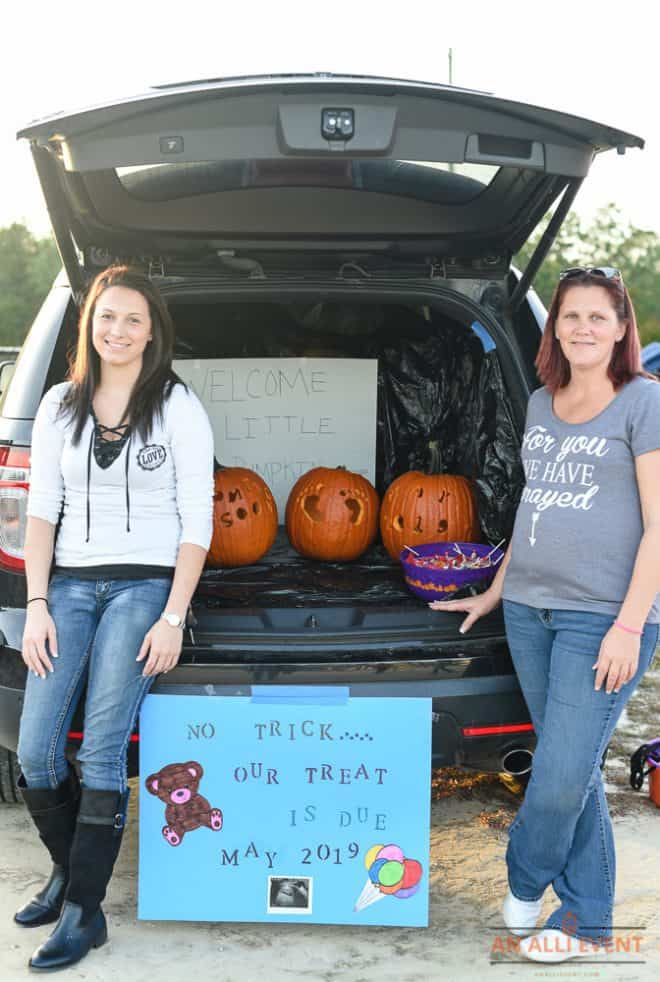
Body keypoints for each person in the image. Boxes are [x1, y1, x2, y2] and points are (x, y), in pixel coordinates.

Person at [429, 266, 660, 964]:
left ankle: (526, 875)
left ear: (621, 328)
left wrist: (628, 625)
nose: (584, 328)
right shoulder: (540, 402)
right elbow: (536, 509)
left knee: (559, 773)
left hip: (602, 618)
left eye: (598, 316)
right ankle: (588, 921)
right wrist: (499, 589)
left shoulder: (643, 402)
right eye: (571, 316)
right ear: (553, 327)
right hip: (529, 610)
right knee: (577, 768)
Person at [15, 266, 214, 971]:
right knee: (35, 755)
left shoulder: (178, 406)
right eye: (107, 317)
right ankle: (72, 872)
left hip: (145, 586)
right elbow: (39, 513)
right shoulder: (58, 406)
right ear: (89, 325)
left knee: (100, 751)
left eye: (133, 319)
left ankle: (81, 913)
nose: (118, 331)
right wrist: (36, 604)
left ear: (152, 330)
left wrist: (174, 615)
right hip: (67, 586)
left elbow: (199, 518)